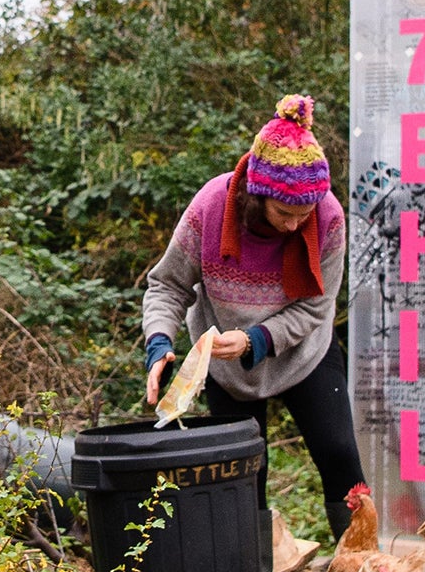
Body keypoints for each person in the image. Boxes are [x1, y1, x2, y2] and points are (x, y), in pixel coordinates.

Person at [142, 94, 364, 539]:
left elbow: (317, 308)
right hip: (227, 368)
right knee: (244, 478)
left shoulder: (329, 218)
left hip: (304, 352)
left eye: (304, 215)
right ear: (257, 196)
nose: (294, 226)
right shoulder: (210, 208)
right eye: (285, 213)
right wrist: (160, 345)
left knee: (340, 455)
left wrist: (254, 340)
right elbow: (168, 285)